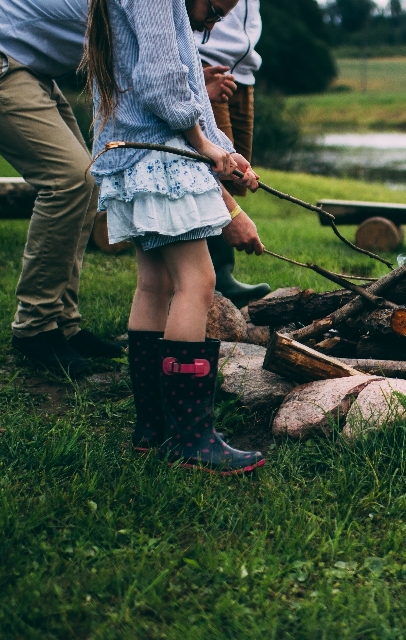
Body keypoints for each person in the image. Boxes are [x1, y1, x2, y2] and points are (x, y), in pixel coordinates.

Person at [84, 0, 265, 474]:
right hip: (160, 156)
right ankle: (191, 437)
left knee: (155, 286)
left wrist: (227, 154)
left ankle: (154, 428)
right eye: (215, 6)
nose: (217, 18)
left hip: (132, 152)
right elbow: (162, 80)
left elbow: (176, 89)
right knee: (197, 283)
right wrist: (206, 148)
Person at [0, 0, 126, 377]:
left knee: (85, 181)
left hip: (20, 58)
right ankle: (34, 327)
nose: (208, 26)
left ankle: (63, 323)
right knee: (70, 180)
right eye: (212, 13)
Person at [196, 0, 272, 307]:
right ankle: (214, 274)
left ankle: (216, 273)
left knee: (235, 173)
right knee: (212, 168)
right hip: (206, 62)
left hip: (244, 70)